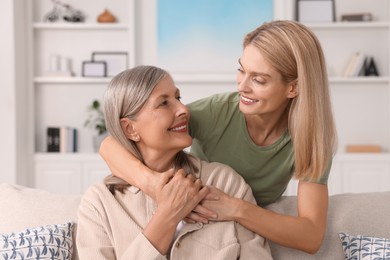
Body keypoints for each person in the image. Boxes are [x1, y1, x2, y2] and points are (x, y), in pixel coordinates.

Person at [99, 20, 337, 254]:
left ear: (293, 88)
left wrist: (236, 208)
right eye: (241, 70)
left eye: (259, 79)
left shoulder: (310, 139)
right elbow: (111, 144)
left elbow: (311, 236)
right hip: (202, 218)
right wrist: (154, 186)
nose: (242, 86)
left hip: (243, 224)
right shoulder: (218, 112)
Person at [76, 65, 272, 259]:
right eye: (163, 103)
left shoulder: (226, 183)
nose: (183, 109)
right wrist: (167, 216)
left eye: (178, 98)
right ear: (129, 129)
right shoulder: (99, 203)